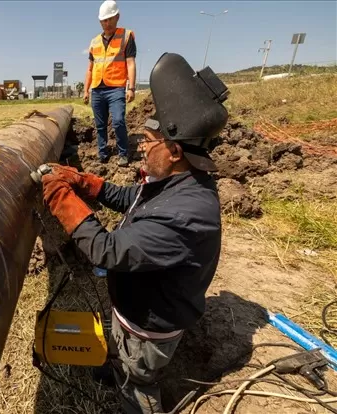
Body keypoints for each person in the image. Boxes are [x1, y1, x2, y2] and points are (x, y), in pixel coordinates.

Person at [42, 52, 230, 413]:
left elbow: (106, 251)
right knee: (121, 350)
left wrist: (62, 198)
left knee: (138, 377)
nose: (140, 149)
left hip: (148, 328)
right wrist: (88, 184)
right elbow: (134, 198)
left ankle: (137, 392)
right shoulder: (179, 181)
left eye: (146, 142)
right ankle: (120, 365)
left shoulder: (185, 215)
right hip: (135, 308)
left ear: (174, 150)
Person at [84, 0, 137, 167]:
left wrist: (132, 88)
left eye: (109, 19)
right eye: (103, 21)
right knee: (100, 125)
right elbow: (90, 69)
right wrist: (86, 90)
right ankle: (102, 152)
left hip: (116, 88)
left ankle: (123, 153)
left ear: (117, 17)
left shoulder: (126, 36)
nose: (106, 24)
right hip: (97, 89)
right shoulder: (94, 42)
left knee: (118, 121)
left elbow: (130, 63)